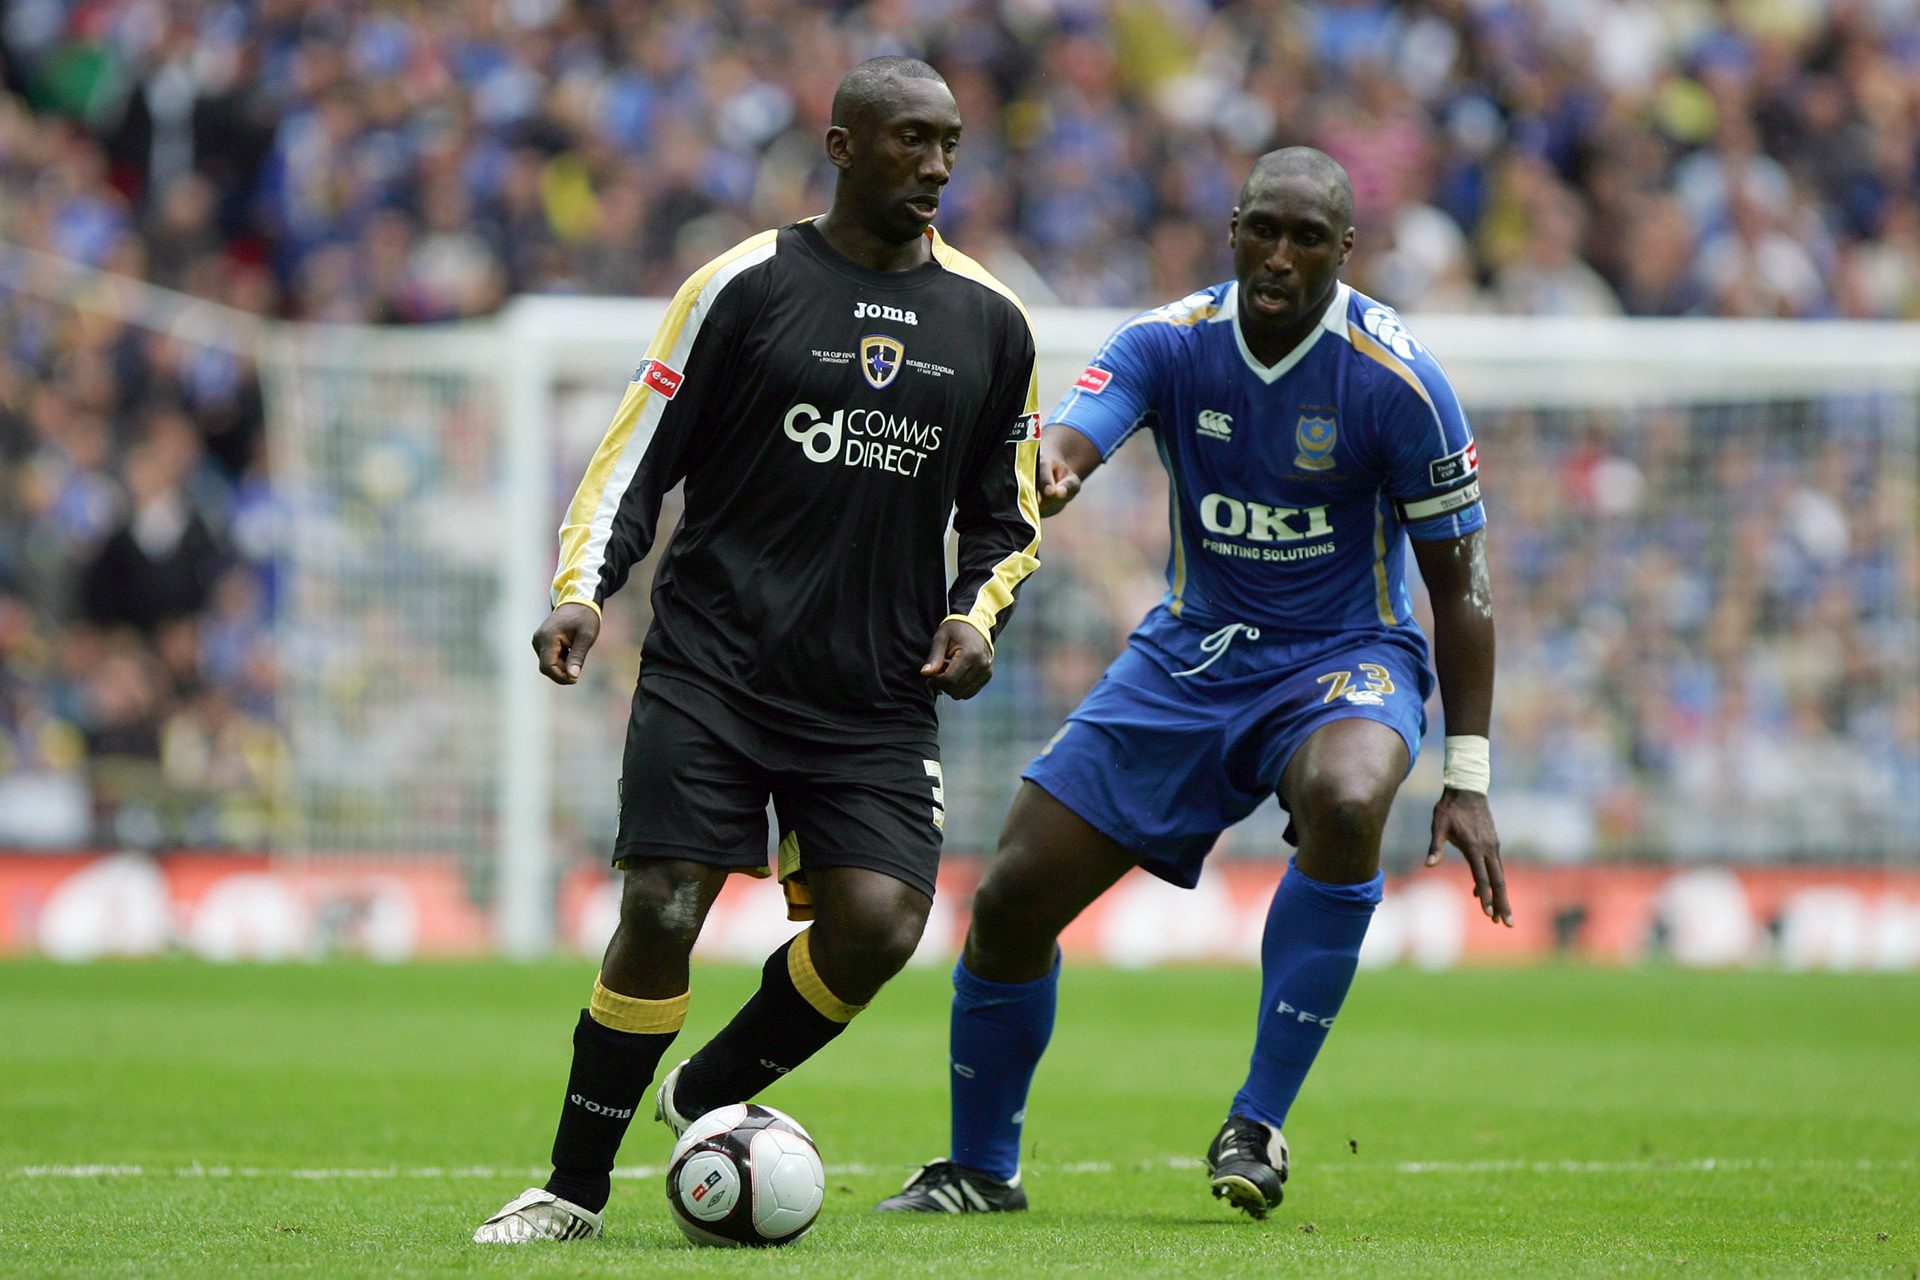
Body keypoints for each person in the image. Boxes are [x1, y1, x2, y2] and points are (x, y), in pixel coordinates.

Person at [877, 147, 1509, 1220]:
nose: (1279, 254)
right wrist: (1057, 469)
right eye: (1262, 228)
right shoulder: (1169, 343)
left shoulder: (1400, 380)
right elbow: (1075, 436)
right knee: (1014, 894)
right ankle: (983, 1166)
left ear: (1344, 252)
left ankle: (1257, 1119)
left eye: (1307, 237)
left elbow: (1465, 591)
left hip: (1343, 657)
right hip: (1193, 652)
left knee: (1351, 798)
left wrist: (1469, 773)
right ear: (1231, 230)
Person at [475, 56, 1042, 1244]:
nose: (935, 164)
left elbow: (1009, 515)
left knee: (881, 925)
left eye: (948, 141)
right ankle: (571, 1187)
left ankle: (701, 1092)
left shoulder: (992, 320)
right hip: (714, 663)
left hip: (875, 688)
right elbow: (640, 453)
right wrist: (585, 589)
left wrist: (974, 616)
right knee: (668, 900)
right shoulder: (742, 283)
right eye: (908, 141)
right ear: (842, 148)